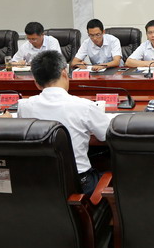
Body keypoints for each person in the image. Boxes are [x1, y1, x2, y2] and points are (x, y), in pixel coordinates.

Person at [18, 50, 113, 195]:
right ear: (64, 73)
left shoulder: (24, 107)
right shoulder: (84, 106)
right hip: (79, 185)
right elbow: (107, 135)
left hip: (39, 185)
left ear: (36, 83)